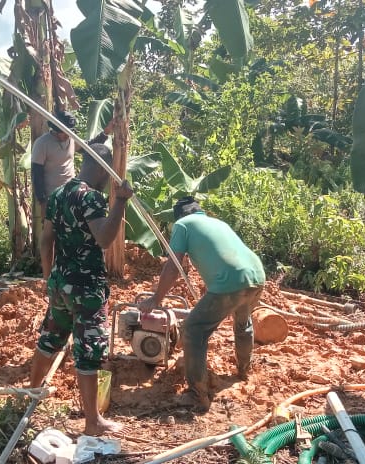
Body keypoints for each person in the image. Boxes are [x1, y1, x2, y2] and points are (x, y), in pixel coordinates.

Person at [29, 143, 133, 436]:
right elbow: (104, 239)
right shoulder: (92, 197)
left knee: (50, 338)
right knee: (88, 351)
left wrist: (50, 278)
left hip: (61, 283)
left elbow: (46, 239)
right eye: (108, 170)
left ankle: (31, 394)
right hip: (86, 289)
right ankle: (93, 422)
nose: (109, 178)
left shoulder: (60, 193)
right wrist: (120, 202)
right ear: (101, 166)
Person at [137, 197, 265, 412]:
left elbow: (173, 266)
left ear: (180, 215)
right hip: (256, 275)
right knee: (243, 323)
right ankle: (243, 370)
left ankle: (197, 392)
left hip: (230, 281)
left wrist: (156, 299)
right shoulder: (218, 223)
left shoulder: (183, 225)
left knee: (194, 330)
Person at [32, 110, 110, 205]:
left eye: (69, 132)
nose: (67, 135)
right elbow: (36, 174)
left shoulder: (71, 139)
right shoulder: (42, 143)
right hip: (52, 196)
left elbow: (89, 148)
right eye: (64, 132)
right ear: (56, 129)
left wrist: (105, 133)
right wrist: (42, 200)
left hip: (71, 193)